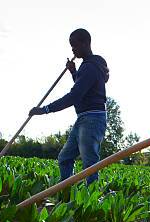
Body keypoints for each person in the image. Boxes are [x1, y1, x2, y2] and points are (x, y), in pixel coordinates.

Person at [30, 28, 109, 184]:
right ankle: (66, 192)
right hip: (83, 117)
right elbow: (84, 89)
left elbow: (75, 96)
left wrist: (45, 110)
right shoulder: (87, 66)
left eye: (75, 45)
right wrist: (74, 72)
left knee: (90, 163)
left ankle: (91, 202)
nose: (73, 49)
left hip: (92, 118)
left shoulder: (90, 67)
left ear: (86, 43)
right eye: (71, 46)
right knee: (65, 157)